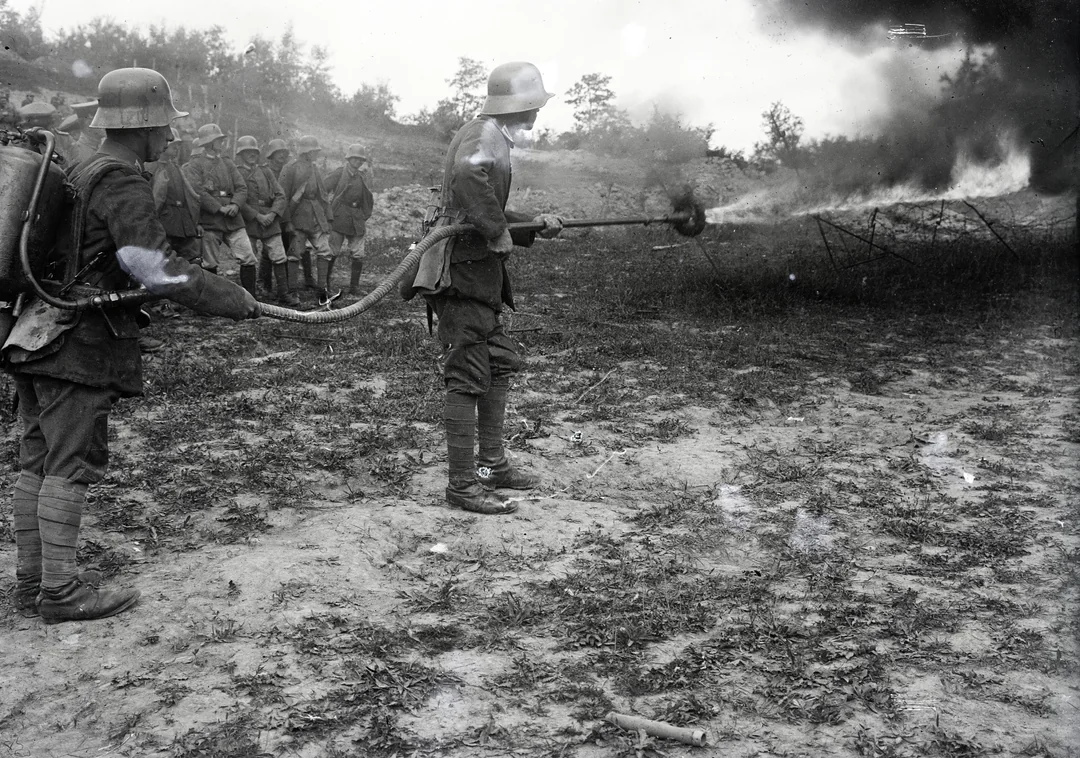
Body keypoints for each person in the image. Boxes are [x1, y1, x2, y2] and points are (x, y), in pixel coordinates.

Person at [3, 67, 260, 624]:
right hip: (79, 340)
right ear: (143, 126)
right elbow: (153, 267)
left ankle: (32, 584)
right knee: (69, 461)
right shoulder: (122, 180)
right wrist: (230, 297)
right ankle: (60, 593)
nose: (170, 135)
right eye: (165, 126)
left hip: (36, 329)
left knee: (38, 459)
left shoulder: (81, 167)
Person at [403, 62, 562, 515]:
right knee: (468, 374)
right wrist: (496, 230)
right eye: (534, 103)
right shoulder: (483, 134)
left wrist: (533, 223)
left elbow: (479, 203)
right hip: (461, 274)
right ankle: (461, 487)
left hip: (477, 274)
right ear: (520, 104)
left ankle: (492, 465)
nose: (538, 111)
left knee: (497, 362)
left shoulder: (493, 136)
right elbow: (467, 181)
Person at [184, 124, 258, 296]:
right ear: (209, 142)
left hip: (233, 218)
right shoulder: (195, 165)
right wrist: (219, 208)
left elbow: (241, 187)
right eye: (218, 140)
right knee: (209, 262)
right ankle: (212, 301)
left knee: (248, 256)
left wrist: (235, 204)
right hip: (210, 220)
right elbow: (197, 192)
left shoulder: (227, 163)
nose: (221, 142)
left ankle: (251, 299)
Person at [234, 135, 299, 306]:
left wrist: (272, 214)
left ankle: (283, 293)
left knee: (279, 255)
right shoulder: (236, 173)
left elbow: (280, 195)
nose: (252, 155)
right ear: (241, 154)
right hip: (249, 220)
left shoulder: (265, 171)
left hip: (270, 219)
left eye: (254, 152)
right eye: (247, 152)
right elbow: (238, 198)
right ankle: (250, 297)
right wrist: (257, 216)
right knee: (248, 257)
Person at [278, 135, 335, 304]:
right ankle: (292, 291)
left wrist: (328, 218)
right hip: (297, 217)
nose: (316, 154)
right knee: (294, 254)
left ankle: (322, 290)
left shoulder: (314, 168)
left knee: (325, 251)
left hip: (316, 217)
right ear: (307, 152)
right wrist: (287, 221)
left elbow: (322, 194)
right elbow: (282, 196)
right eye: (314, 151)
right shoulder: (290, 168)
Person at [326, 144, 375, 298]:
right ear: (349, 158)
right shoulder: (339, 173)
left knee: (358, 253)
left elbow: (367, 196)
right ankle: (325, 285)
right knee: (332, 251)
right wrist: (328, 210)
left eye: (360, 159)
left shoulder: (362, 176)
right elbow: (323, 189)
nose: (357, 161)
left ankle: (354, 287)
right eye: (355, 158)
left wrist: (364, 214)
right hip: (339, 216)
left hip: (356, 217)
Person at [150, 129, 202, 265]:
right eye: (174, 145)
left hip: (183, 222)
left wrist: (195, 223)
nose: (177, 149)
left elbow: (188, 197)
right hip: (164, 221)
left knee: (193, 259)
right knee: (164, 261)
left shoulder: (176, 167)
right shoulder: (151, 167)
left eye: (178, 145)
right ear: (163, 144)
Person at [262, 139, 292, 291]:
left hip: (285, 214)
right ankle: (264, 283)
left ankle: (283, 285)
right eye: (278, 152)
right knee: (268, 250)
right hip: (270, 213)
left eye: (283, 153)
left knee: (285, 247)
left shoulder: (287, 171)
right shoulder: (265, 171)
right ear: (271, 154)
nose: (281, 155)